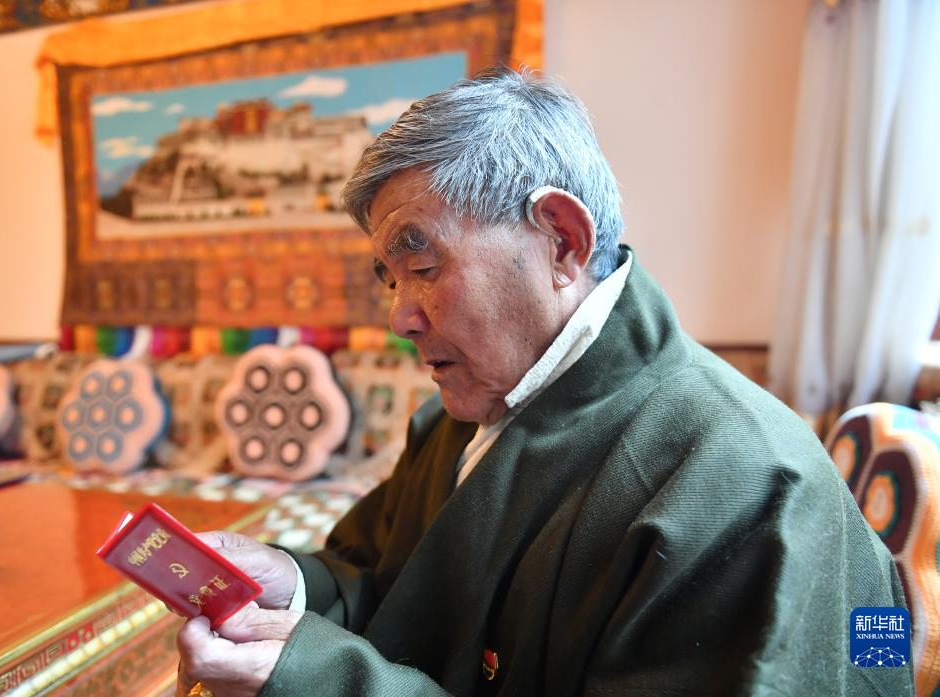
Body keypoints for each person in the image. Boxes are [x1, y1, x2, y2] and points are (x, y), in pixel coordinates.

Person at [175, 67, 912, 697]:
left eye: (422, 265)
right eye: (389, 278)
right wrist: (289, 582)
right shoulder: (462, 416)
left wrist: (318, 677)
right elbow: (392, 590)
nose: (399, 316)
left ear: (562, 239)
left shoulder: (742, 485)